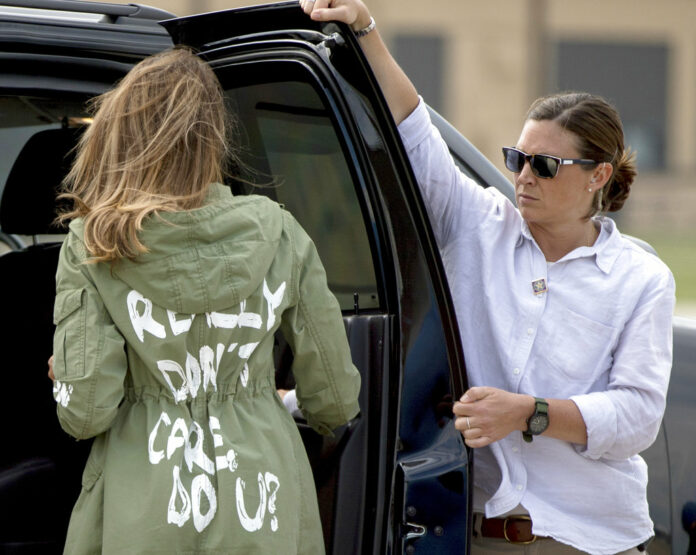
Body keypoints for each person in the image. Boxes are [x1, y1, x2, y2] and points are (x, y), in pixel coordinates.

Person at [300, 1, 675, 553]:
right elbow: (412, 128)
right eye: (515, 157)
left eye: (544, 165)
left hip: (595, 539)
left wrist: (529, 413)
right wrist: (365, 29)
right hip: (479, 536)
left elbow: (639, 416)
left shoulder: (643, 278)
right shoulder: (477, 222)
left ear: (599, 175)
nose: (523, 176)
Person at [47, 47, 360, 554]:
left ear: (123, 137)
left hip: (145, 504)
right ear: (213, 138)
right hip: (263, 498)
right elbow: (337, 402)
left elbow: (86, 414)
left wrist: (67, 375)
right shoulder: (280, 231)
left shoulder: (93, 244)